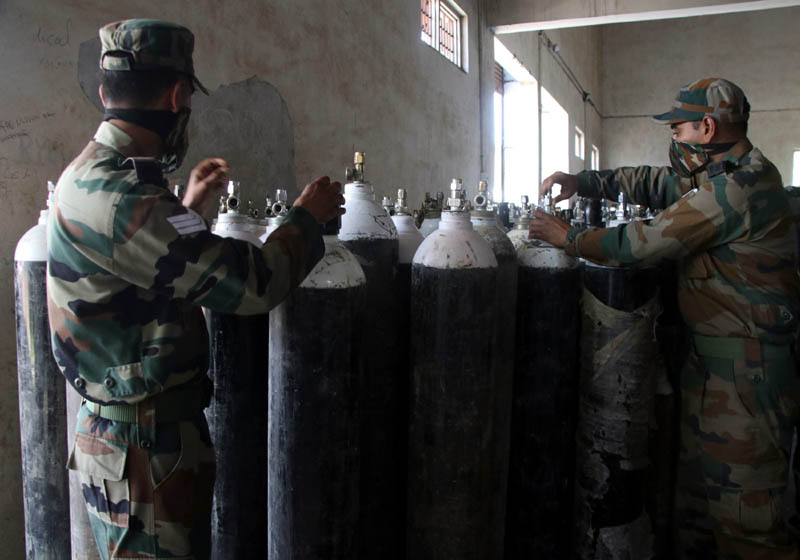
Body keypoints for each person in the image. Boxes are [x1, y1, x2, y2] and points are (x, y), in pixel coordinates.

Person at [46, 19, 344, 560]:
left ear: (104, 92)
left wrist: (189, 207)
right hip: (142, 450)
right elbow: (251, 285)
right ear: (179, 95)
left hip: (144, 439)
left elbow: (140, 269)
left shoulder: (109, 176)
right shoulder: (119, 195)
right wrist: (305, 220)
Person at [531, 77, 800, 559]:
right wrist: (584, 180)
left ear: (707, 126)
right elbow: (655, 182)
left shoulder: (739, 188)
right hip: (714, 367)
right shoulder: (720, 173)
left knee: (748, 521)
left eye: (678, 128)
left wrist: (568, 238)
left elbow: (644, 242)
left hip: (746, 374)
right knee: (703, 506)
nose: (672, 137)